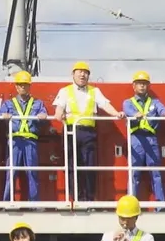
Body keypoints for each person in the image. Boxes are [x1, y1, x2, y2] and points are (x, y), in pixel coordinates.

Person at [52, 62, 122, 202]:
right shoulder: (65, 91)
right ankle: (76, 198)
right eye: (80, 72)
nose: (83, 75)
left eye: (86, 72)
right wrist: (59, 114)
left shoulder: (94, 91)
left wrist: (117, 113)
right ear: (73, 74)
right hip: (71, 132)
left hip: (88, 133)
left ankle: (89, 198)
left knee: (89, 167)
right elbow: (58, 110)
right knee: (72, 166)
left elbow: (105, 104)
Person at [0, 71, 48, 202]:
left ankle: (35, 204)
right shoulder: (8, 104)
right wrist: (3, 116)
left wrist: (43, 116)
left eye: (25, 85)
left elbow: (44, 114)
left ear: (30, 86)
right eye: (20, 85)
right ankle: (7, 202)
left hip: (30, 142)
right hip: (14, 142)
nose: (23, 87)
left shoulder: (38, 103)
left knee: (32, 173)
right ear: (16, 87)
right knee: (11, 173)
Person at [123, 71, 165, 203]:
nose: (142, 86)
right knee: (134, 172)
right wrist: (135, 114)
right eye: (139, 83)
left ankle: (160, 204)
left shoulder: (155, 102)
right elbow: (128, 111)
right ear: (134, 86)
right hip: (136, 139)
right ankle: (131, 202)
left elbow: (162, 110)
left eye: (144, 83)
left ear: (148, 86)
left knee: (156, 172)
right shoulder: (128, 102)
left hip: (151, 139)